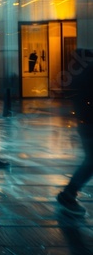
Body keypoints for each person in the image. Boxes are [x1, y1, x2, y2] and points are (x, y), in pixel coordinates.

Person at [56, 49, 93, 216]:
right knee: (91, 161)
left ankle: (69, 193)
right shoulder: (88, 73)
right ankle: (68, 194)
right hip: (89, 123)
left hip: (84, 122)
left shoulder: (78, 75)